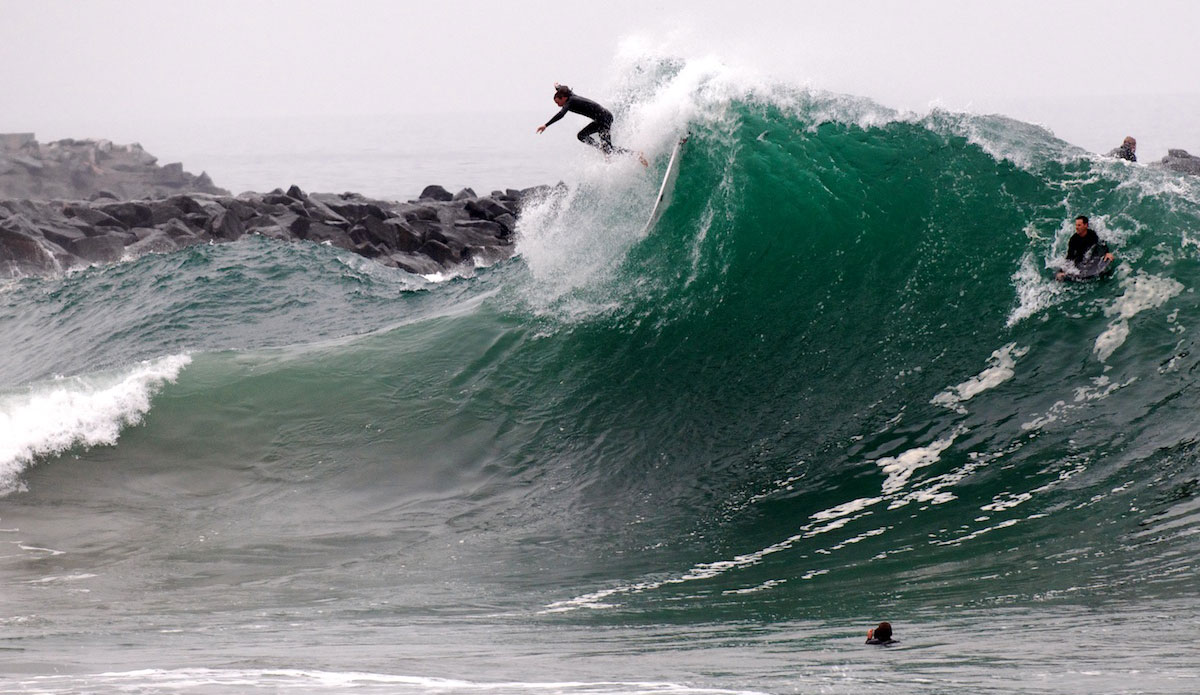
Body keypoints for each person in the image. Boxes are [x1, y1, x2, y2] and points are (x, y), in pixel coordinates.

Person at [536, 83, 647, 166]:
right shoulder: (569, 95)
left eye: (558, 102)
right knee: (582, 136)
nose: (558, 105)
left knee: (608, 150)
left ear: (563, 98)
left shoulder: (569, 102)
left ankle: (636, 155)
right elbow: (565, 89)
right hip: (602, 118)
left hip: (604, 119)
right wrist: (557, 86)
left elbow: (561, 115)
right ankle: (602, 148)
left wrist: (546, 125)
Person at [1056, 215, 1115, 280]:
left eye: (1079, 225)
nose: (1076, 227)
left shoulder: (1092, 234)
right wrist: (1062, 271)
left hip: (1091, 256)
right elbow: (1070, 256)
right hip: (1080, 259)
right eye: (1076, 225)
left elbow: (1101, 244)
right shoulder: (1073, 239)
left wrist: (1107, 253)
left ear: (1085, 225)